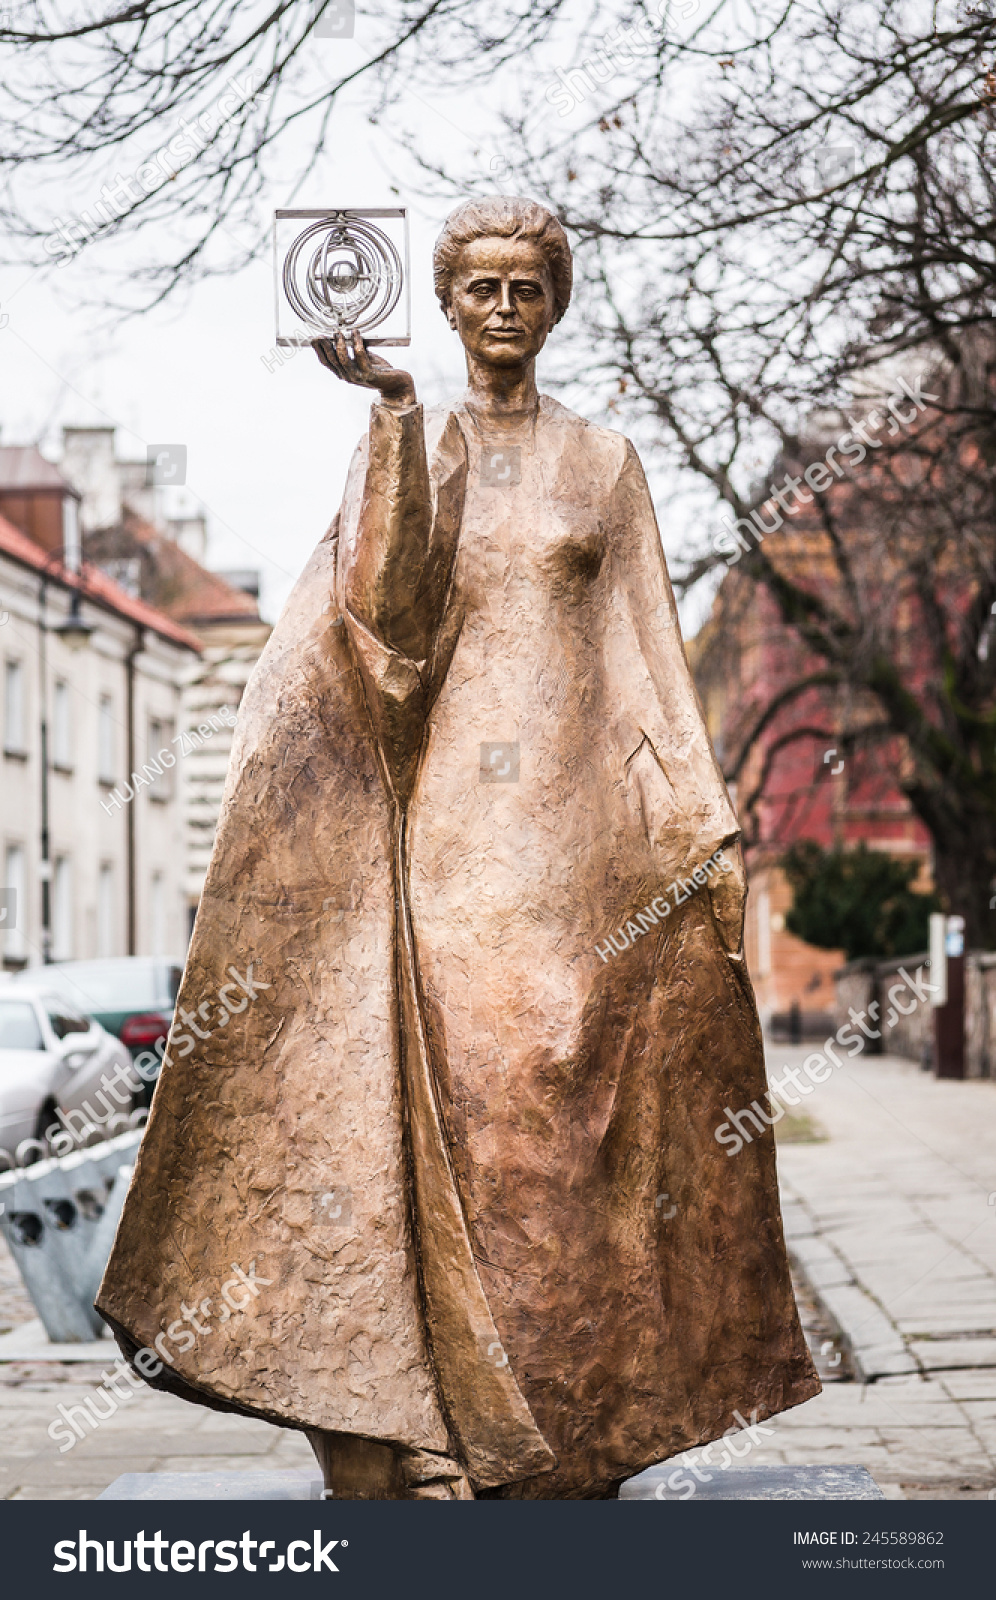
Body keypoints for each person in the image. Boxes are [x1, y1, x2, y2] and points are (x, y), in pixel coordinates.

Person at [98, 198, 818, 1500]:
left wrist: (701, 827)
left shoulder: (604, 462)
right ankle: (429, 1432)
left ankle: (566, 1436)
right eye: (478, 284)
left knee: (574, 1128)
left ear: (554, 301)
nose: (501, 304)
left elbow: (649, 654)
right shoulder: (413, 446)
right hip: (440, 848)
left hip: (576, 851)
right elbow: (381, 637)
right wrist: (387, 412)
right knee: (461, 1117)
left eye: (524, 284)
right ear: (445, 302)